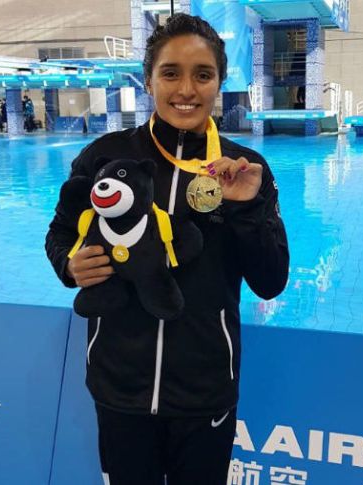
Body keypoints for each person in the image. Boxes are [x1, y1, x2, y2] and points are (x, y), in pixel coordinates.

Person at [45, 13, 289, 485]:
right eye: (171, 73)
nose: (186, 90)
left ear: (219, 82)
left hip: (204, 392)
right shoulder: (103, 157)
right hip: (120, 387)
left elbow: (270, 279)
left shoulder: (244, 167)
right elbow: (60, 231)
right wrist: (69, 265)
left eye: (203, 75)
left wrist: (247, 208)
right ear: (149, 80)